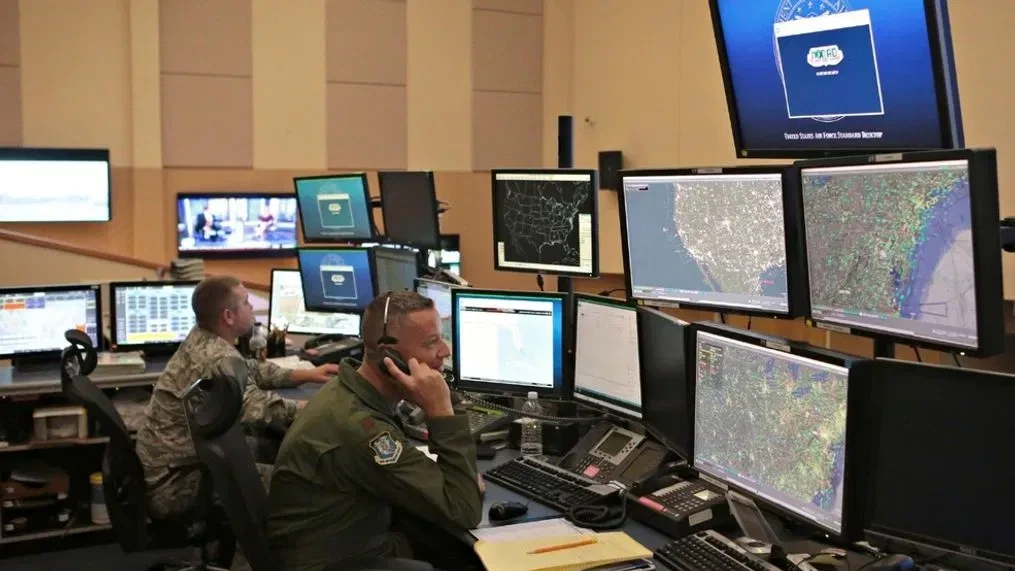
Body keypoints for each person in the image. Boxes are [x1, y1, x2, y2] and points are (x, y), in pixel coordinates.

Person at [266, 291, 483, 571]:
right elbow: (464, 509)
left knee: (446, 547)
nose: (445, 351)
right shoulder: (361, 429)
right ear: (388, 355)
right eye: (431, 342)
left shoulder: (348, 390)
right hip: (334, 562)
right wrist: (441, 411)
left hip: (350, 539)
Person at [135, 275, 338, 519]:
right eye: (246, 302)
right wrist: (321, 405)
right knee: (304, 486)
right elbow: (260, 409)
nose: (251, 307)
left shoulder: (204, 339)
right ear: (229, 316)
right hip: (179, 483)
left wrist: (306, 374)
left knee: (277, 449)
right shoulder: (217, 358)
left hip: (175, 466)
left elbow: (249, 368)